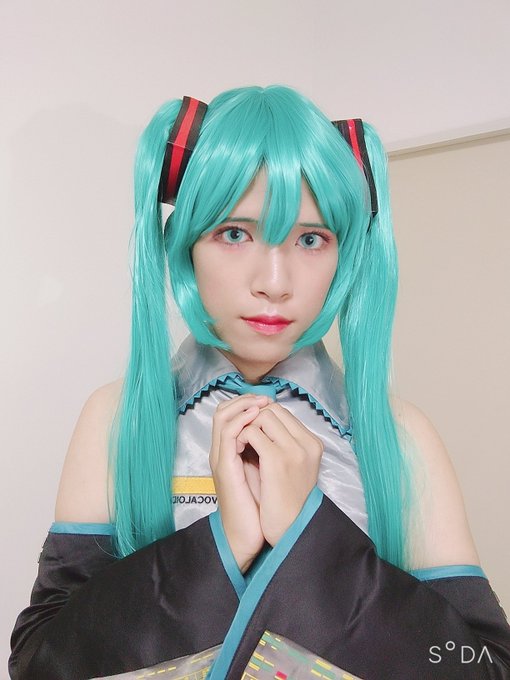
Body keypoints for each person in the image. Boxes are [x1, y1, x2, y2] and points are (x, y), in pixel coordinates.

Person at [9, 85, 510, 680]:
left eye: (310, 239)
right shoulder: (118, 419)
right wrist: (223, 541)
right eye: (235, 233)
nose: (275, 281)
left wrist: (309, 535)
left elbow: (482, 666)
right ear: (185, 245)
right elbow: (41, 663)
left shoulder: (400, 434)